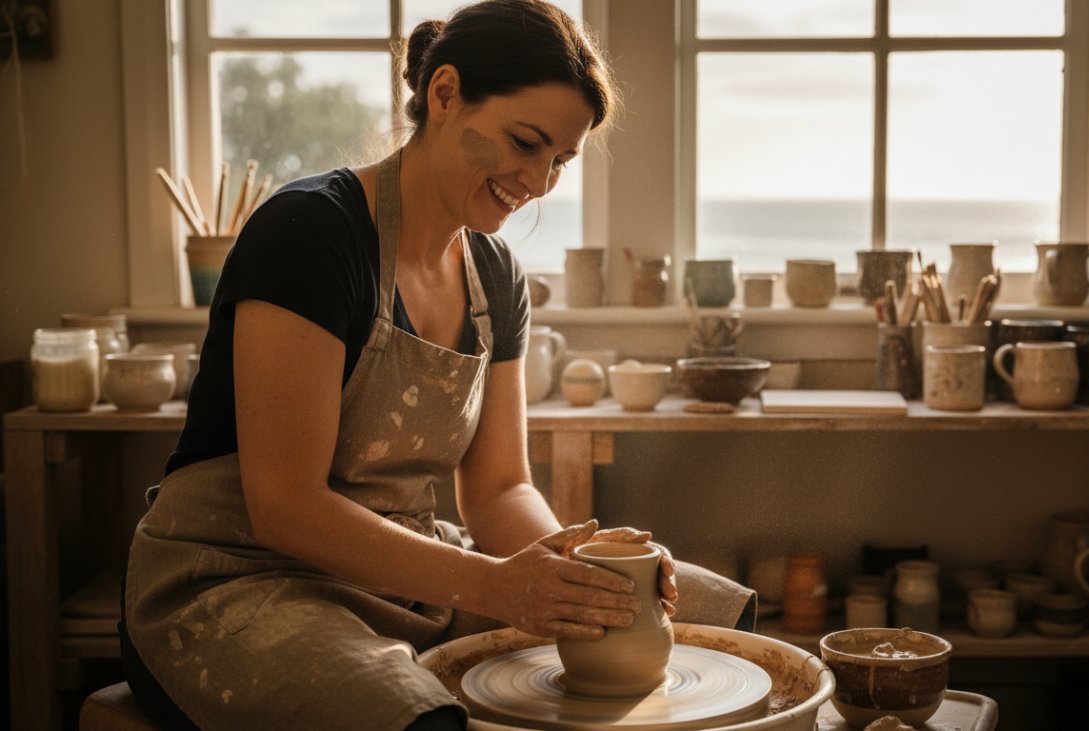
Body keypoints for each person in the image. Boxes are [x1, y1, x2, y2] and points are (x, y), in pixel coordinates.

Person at [120, 1, 755, 729]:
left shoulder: (495, 275)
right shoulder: (311, 232)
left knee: (715, 615)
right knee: (418, 718)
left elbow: (500, 490)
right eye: (525, 142)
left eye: (559, 160)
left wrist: (580, 571)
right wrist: (498, 587)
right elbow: (285, 506)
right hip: (236, 581)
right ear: (445, 93)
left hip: (402, 575)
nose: (539, 181)